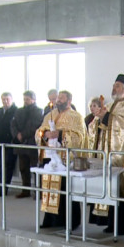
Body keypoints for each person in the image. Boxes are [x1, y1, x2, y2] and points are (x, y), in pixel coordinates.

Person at [88, 74, 124, 234]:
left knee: (119, 187)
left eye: (117, 86)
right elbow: (95, 125)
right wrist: (98, 120)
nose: (114, 88)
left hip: (119, 154)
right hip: (104, 154)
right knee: (106, 186)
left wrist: (107, 117)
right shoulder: (108, 106)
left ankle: (121, 226)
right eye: (114, 85)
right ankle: (108, 222)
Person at [36, 90, 86, 230]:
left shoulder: (76, 117)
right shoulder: (50, 115)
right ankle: (50, 220)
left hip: (66, 159)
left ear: (69, 101)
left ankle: (70, 221)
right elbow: (39, 131)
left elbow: (79, 137)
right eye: (58, 98)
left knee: (66, 191)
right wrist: (45, 134)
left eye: (62, 98)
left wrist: (60, 134)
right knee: (49, 189)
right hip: (50, 157)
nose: (58, 100)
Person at [10, 90, 44, 199]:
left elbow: (35, 126)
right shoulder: (19, 111)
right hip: (21, 144)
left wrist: (23, 135)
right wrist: (17, 135)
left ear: (33, 100)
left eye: (28, 99)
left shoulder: (39, 111)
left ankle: (38, 191)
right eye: (24, 99)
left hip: (32, 144)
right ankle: (26, 190)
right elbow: (13, 124)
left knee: (35, 169)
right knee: (23, 168)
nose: (26, 101)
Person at [0, 92, 18, 196]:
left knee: (7, 166)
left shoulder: (16, 111)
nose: (5, 101)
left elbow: (15, 126)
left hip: (9, 143)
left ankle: (3, 189)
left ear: (11, 99)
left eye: (7, 99)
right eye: (3, 99)